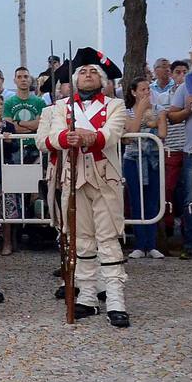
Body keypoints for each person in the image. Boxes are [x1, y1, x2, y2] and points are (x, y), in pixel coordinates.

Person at [40, 46, 130, 326]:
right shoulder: (59, 109)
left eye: (94, 72)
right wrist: (66, 139)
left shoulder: (115, 105)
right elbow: (43, 140)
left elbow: (113, 132)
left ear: (102, 80)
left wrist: (90, 138)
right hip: (72, 177)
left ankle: (115, 300)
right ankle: (88, 297)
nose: (88, 75)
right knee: (82, 241)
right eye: (84, 72)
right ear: (75, 79)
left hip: (105, 179)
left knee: (108, 241)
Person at [121, 75, 163, 259]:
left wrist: (155, 119)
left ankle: (151, 244)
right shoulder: (125, 111)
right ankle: (139, 244)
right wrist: (140, 112)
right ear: (133, 92)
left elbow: (162, 132)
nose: (146, 93)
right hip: (133, 160)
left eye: (148, 89)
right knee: (136, 200)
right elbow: (130, 134)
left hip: (152, 159)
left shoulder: (159, 109)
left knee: (152, 200)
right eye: (142, 90)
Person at [165, 60, 192, 259]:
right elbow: (172, 117)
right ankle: (191, 243)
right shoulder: (187, 86)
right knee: (191, 199)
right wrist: (189, 110)